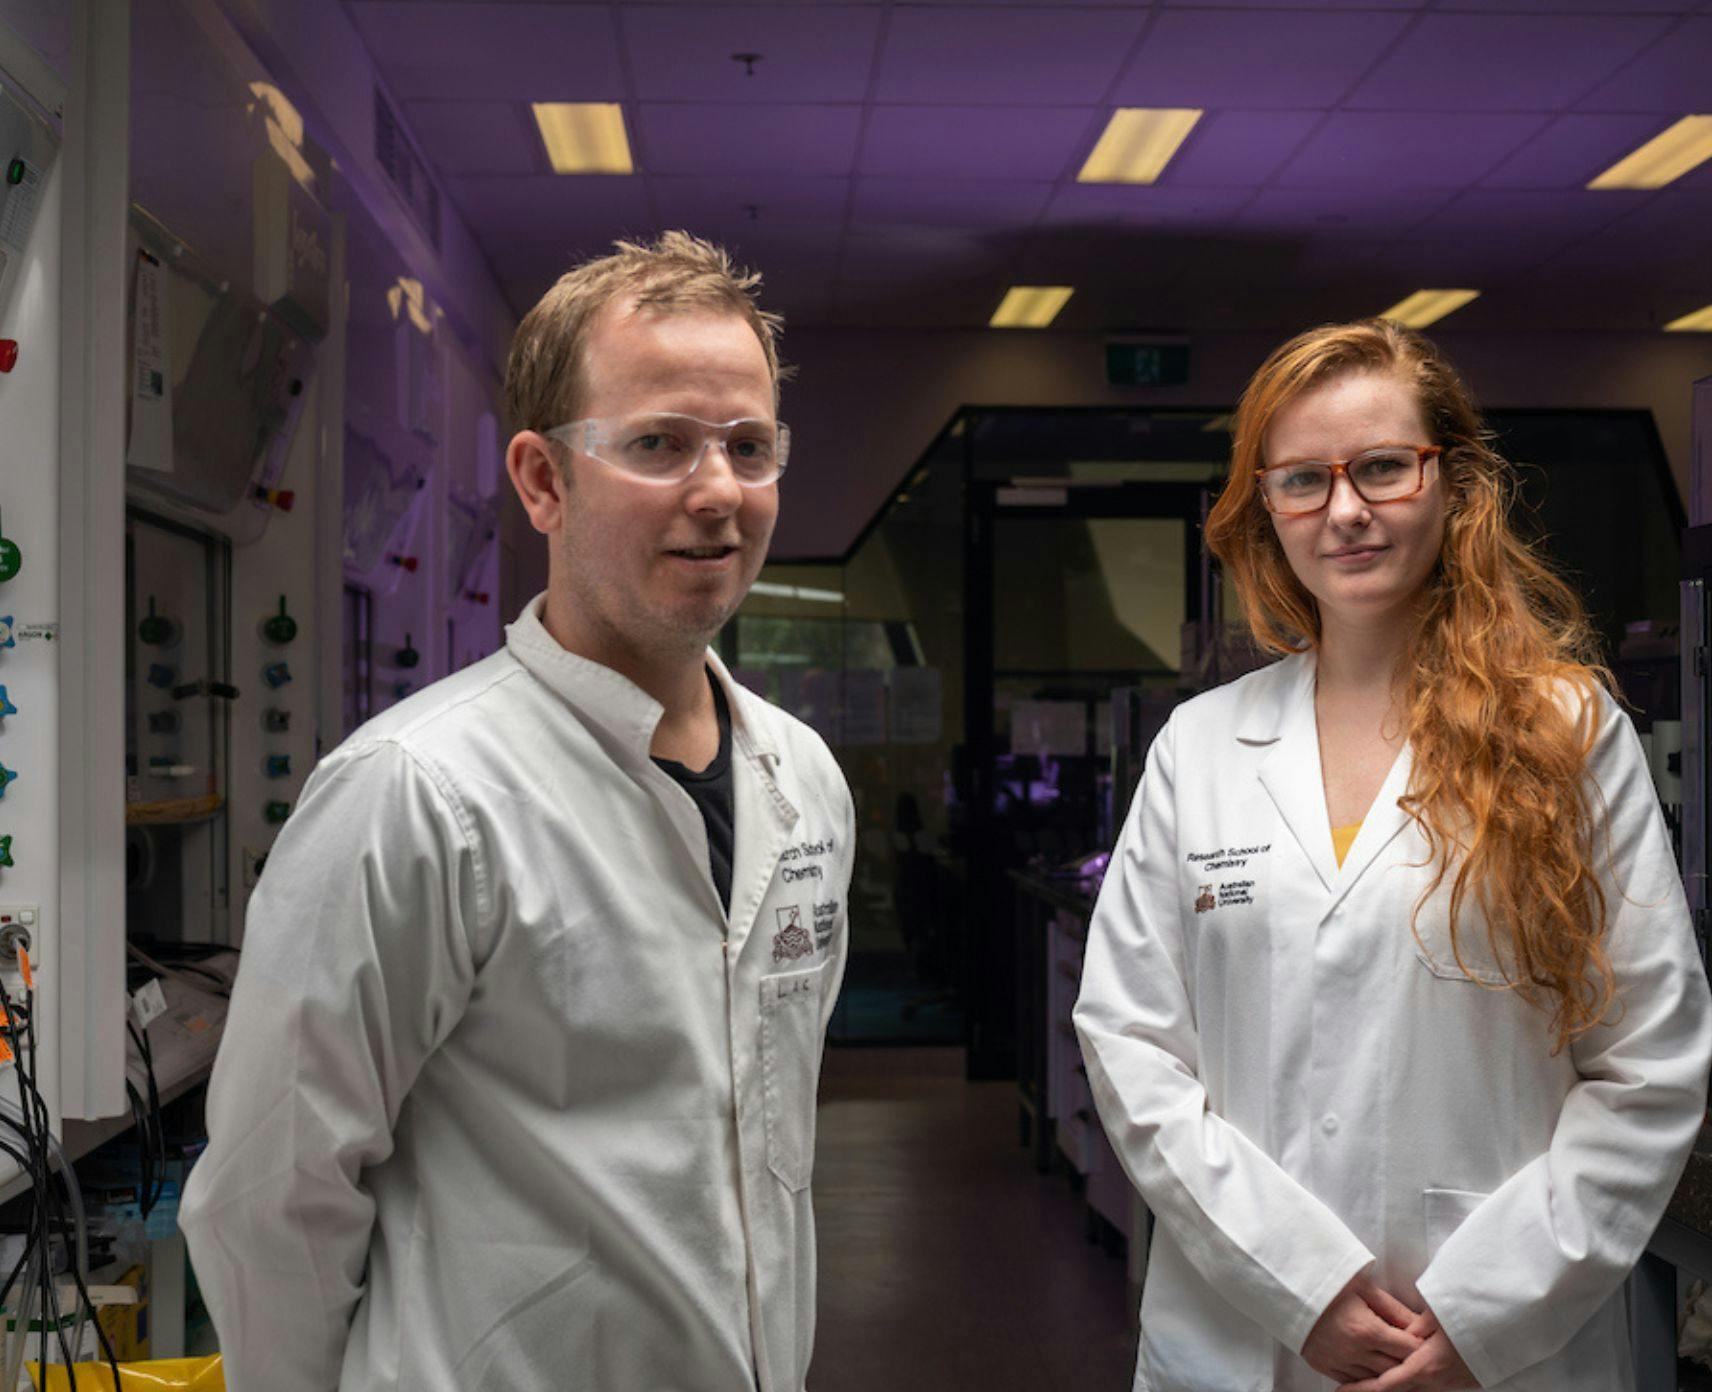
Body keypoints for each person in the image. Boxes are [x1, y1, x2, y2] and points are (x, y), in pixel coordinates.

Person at [179, 232, 855, 1392]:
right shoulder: (415, 794)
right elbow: (268, 1198)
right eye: (658, 444)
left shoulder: (803, 779)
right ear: (543, 479)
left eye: (749, 447)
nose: (718, 491)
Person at [1073, 318, 1712, 1392]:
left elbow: (1645, 1065)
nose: (1344, 510)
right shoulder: (1200, 746)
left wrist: (1478, 1318)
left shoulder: (1566, 730)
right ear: (1263, 507)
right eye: (1301, 481)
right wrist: (1300, 1284)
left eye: (1381, 467)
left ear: (1454, 484)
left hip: (1502, 1344)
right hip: (1239, 1336)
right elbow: (1131, 1048)